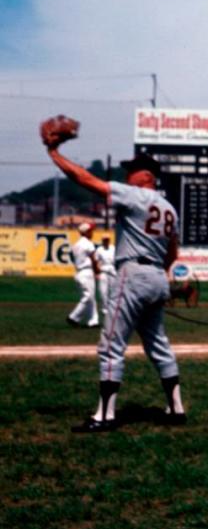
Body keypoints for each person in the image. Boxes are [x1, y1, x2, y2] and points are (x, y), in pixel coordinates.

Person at [41, 136, 187, 433]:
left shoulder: (134, 194)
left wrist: (54, 152)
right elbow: (173, 253)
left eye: (131, 170)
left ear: (145, 175)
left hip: (132, 273)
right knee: (159, 345)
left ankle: (105, 416)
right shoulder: (170, 208)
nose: (126, 174)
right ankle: (176, 408)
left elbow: (84, 179)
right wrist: (159, 276)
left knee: (111, 345)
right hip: (158, 276)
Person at [67, 222, 100, 328]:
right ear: (86, 232)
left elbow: (72, 258)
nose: (92, 233)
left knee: (91, 297)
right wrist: (97, 270)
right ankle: (73, 317)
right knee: (88, 296)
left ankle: (93, 320)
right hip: (87, 272)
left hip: (79, 272)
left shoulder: (75, 245)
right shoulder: (88, 243)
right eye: (91, 231)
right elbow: (93, 259)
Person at [94, 234, 118, 317]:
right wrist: (96, 273)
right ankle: (105, 309)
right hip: (103, 270)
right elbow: (96, 262)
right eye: (104, 240)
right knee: (103, 291)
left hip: (112, 270)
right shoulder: (99, 250)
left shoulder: (113, 248)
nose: (106, 241)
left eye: (107, 239)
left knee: (113, 290)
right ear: (102, 241)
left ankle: (113, 307)